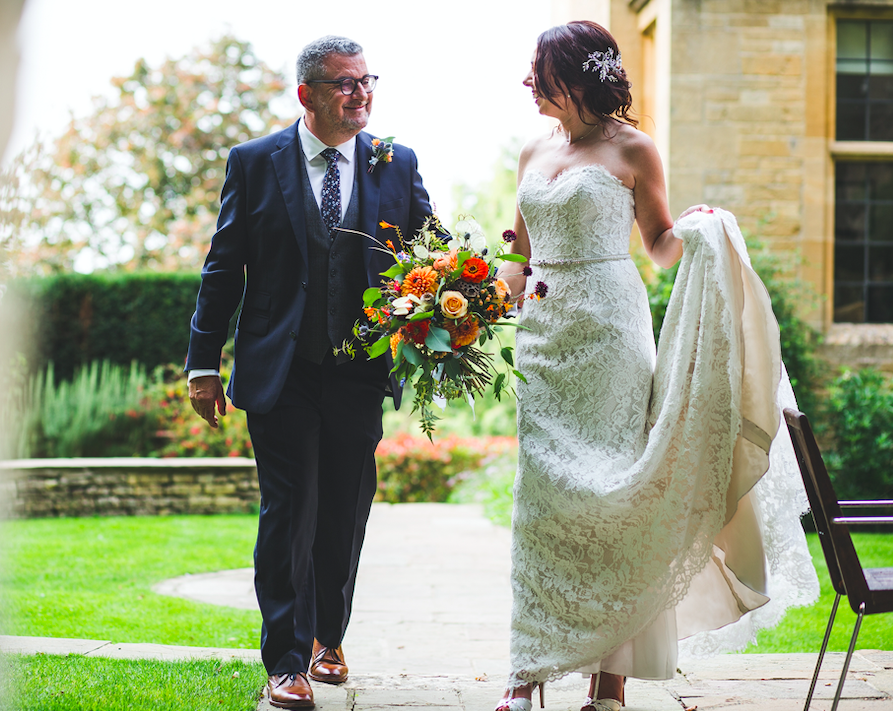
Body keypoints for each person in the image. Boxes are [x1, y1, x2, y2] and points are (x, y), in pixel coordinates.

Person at [495, 20, 817, 711]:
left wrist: (699, 231)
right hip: (543, 344)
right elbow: (517, 255)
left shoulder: (634, 148)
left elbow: (660, 246)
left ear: (576, 75)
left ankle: (607, 682)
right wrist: (470, 300)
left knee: (615, 496)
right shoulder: (531, 150)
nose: (528, 83)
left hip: (611, 334)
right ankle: (525, 673)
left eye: (539, 70)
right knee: (541, 501)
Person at [185, 36, 436, 709]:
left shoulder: (394, 161)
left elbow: (429, 254)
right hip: (281, 369)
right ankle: (286, 660)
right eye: (344, 84)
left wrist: (447, 316)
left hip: (358, 371)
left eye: (366, 81)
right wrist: (203, 363)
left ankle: (329, 636)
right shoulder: (256, 162)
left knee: (345, 513)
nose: (361, 94)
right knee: (288, 511)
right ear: (307, 95)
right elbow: (223, 266)